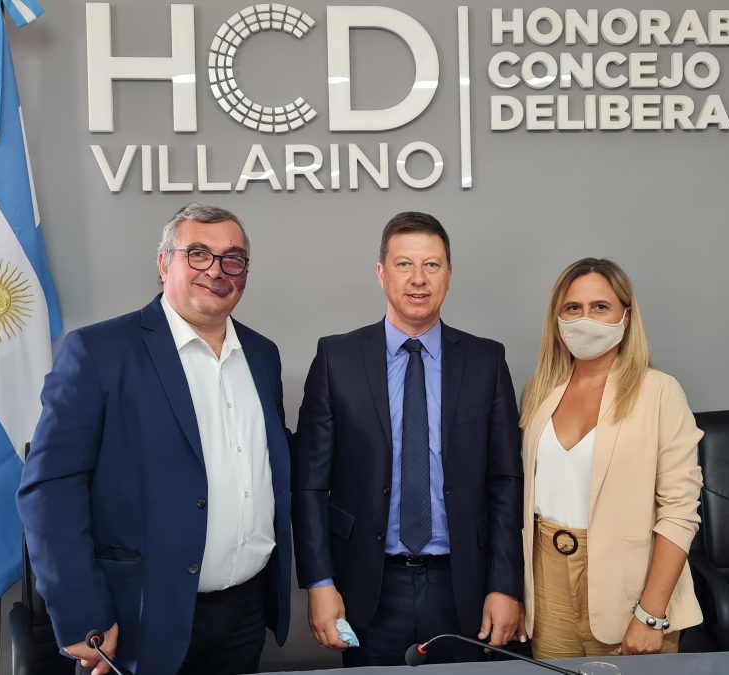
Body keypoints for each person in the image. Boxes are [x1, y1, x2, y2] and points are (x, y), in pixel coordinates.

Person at [17, 204, 292, 675]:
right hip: (138, 616)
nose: (216, 271)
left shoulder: (263, 355)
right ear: (164, 264)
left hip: (245, 613)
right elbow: (49, 489)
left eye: (232, 259)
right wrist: (82, 611)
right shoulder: (98, 353)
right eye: (198, 254)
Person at [292, 211, 524, 666]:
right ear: (382, 273)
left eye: (431, 265)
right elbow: (310, 485)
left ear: (449, 275)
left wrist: (505, 585)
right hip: (368, 587)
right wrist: (319, 583)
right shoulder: (337, 359)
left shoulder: (486, 361)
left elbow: (505, 481)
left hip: (463, 585)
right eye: (404, 265)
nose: (418, 279)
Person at [519, 258, 703, 659]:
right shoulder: (540, 391)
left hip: (631, 590)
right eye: (573, 308)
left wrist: (651, 613)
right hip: (547, 585)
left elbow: (679, 511)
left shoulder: (660, 392)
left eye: (600, 307)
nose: (586, 319)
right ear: (557, 318)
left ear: (626, 316)